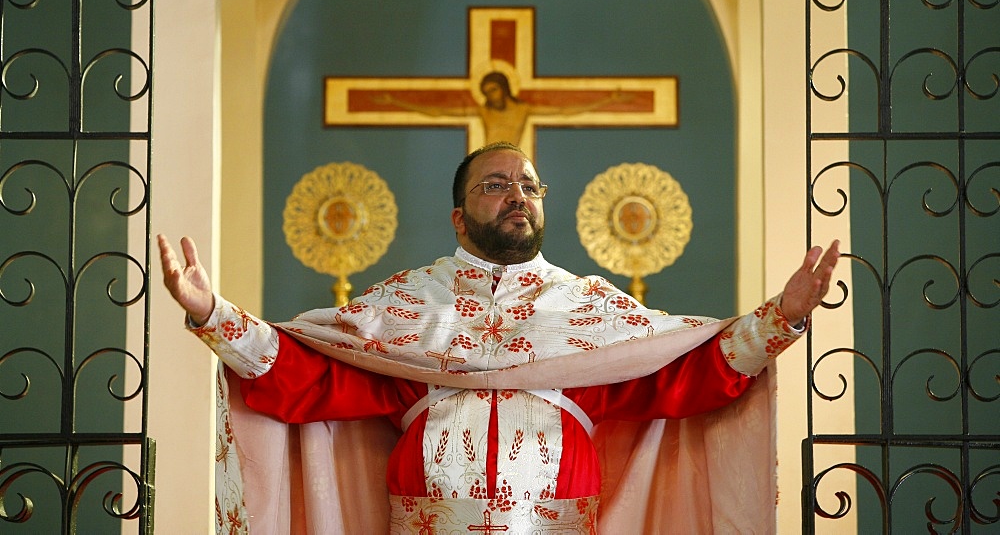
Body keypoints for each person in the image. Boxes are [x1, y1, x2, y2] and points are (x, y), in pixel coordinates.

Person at [160, 141, 839, 533]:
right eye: (496, 184)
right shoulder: (407, 304)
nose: (517, 194)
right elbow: (308, 378)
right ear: (459, 218)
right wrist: (210, 312)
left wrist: (784, 316)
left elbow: (686, 375)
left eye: (529, 185)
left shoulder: (590, 310)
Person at [375, 71, 627, 151]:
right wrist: (397, 103)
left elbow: (563, 111)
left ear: (504, 88)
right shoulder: (483, 112)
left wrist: (605, 101)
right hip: (489, 155)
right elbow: (439, 113)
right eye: (486, 91)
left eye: (493, 90)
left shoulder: (523, 110)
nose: (489, 96)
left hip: (513, 154)